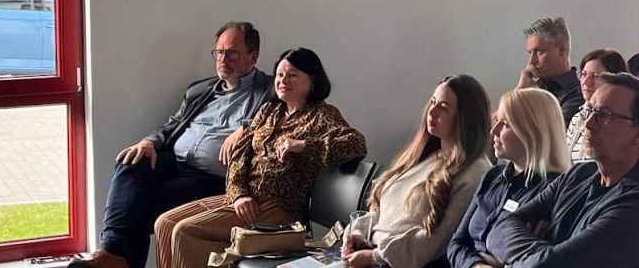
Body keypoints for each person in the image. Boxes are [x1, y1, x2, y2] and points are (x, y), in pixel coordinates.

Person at [71, 22, 274, 268]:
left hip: (212, 176)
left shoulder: (271, 90)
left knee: (138, 206)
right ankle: (113, 253)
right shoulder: (201, 89)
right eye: (219, 52)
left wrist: (246, 127)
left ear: (253, 57)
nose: (223, 59)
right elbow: (172, 124)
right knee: (130, 161)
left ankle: (114, 257)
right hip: (174, 162)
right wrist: (148, 142)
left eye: (232, 53)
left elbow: (287, 115)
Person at [154, 48, 368, 268]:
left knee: (185, 231)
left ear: (312, 81)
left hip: (280, 208)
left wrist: (304, 145)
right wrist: (239, 194)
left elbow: (355, 143)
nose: (283, 80)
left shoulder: (322, 115)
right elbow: (239, 155)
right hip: (247, 201)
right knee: (164, 223)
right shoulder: (269, 111)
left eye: (293, 75)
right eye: (280, 74)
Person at [485, 73, 639, 267]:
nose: (588, 124)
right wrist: (542, 252)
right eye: (588, 110)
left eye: (603, 115)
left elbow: (547, 266)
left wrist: (526, 254)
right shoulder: (579, 174)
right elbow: (500, 227)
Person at [343, 76, 494, 268]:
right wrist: (359, 232)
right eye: (433, 102)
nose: (432, 111)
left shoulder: (475, 172)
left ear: (465, 119)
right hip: (373, 252)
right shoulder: (427, 155)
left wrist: (374, 256)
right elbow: (387, 213)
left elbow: (436, 241)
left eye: (444, 107)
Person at [448, 88, 572, 268]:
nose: (494, 131)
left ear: (532, 132)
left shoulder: (555, 190)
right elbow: (456, 243)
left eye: (505, 124)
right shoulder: (492, 176)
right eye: (496, 121)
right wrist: (475, 265)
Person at [518, 17, 583, 126]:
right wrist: (520, 90)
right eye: (530, 53)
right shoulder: (532, 87)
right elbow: (491, 126)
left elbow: (551, 131)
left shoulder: (579, 95)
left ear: (562, 50)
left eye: (539, 51)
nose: (531, 61)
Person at [567, 48, 628, 162]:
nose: (586, 82)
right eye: (584, 74)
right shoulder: (577, 119)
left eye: (595, 76)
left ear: (615, 81)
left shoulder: (621, 121)